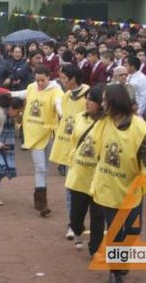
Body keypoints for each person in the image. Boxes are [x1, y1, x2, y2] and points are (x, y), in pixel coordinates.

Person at [90, 84, 146, 283]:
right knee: (115, 231)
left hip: (132, 188)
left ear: (116, 102)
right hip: (108, 187)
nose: (102, 104)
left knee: (133, 230)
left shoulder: (139, 128)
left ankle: (120, 261)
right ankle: (115, 271)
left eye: (105, 100)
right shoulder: (103, 121)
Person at [11, 64, 64, 217]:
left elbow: (58, 103)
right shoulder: (31, 87)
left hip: (48, 133)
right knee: (40, 167)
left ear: (49, 78)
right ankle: (42, 203)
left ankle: (39, 193)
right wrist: (5, 92)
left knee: (44, 168)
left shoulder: (56, 90)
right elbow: (20, 94)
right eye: (37, 80)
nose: (40, 84)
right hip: (33, 133)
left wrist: (62, 114)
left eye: (43, 80)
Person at [64, 84, 106, 255]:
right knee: (75, 217)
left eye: (91, 100)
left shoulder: (108, 123)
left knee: (98, 216)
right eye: (86, 99)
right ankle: (78, 230)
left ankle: (95, 248)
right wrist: (71, 159)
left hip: (99, 178)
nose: (87, 102)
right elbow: (74, 141)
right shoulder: (80, 117)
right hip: (79, 175)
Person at [49, 65, 89, 238]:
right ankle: (72, 222)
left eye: (64, 78)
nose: (62, 81)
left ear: (73, 79)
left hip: (85, 149)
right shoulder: (66, 96)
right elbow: (64, 120)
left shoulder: (88, 96)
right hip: (68, 148)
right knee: (69, 186)